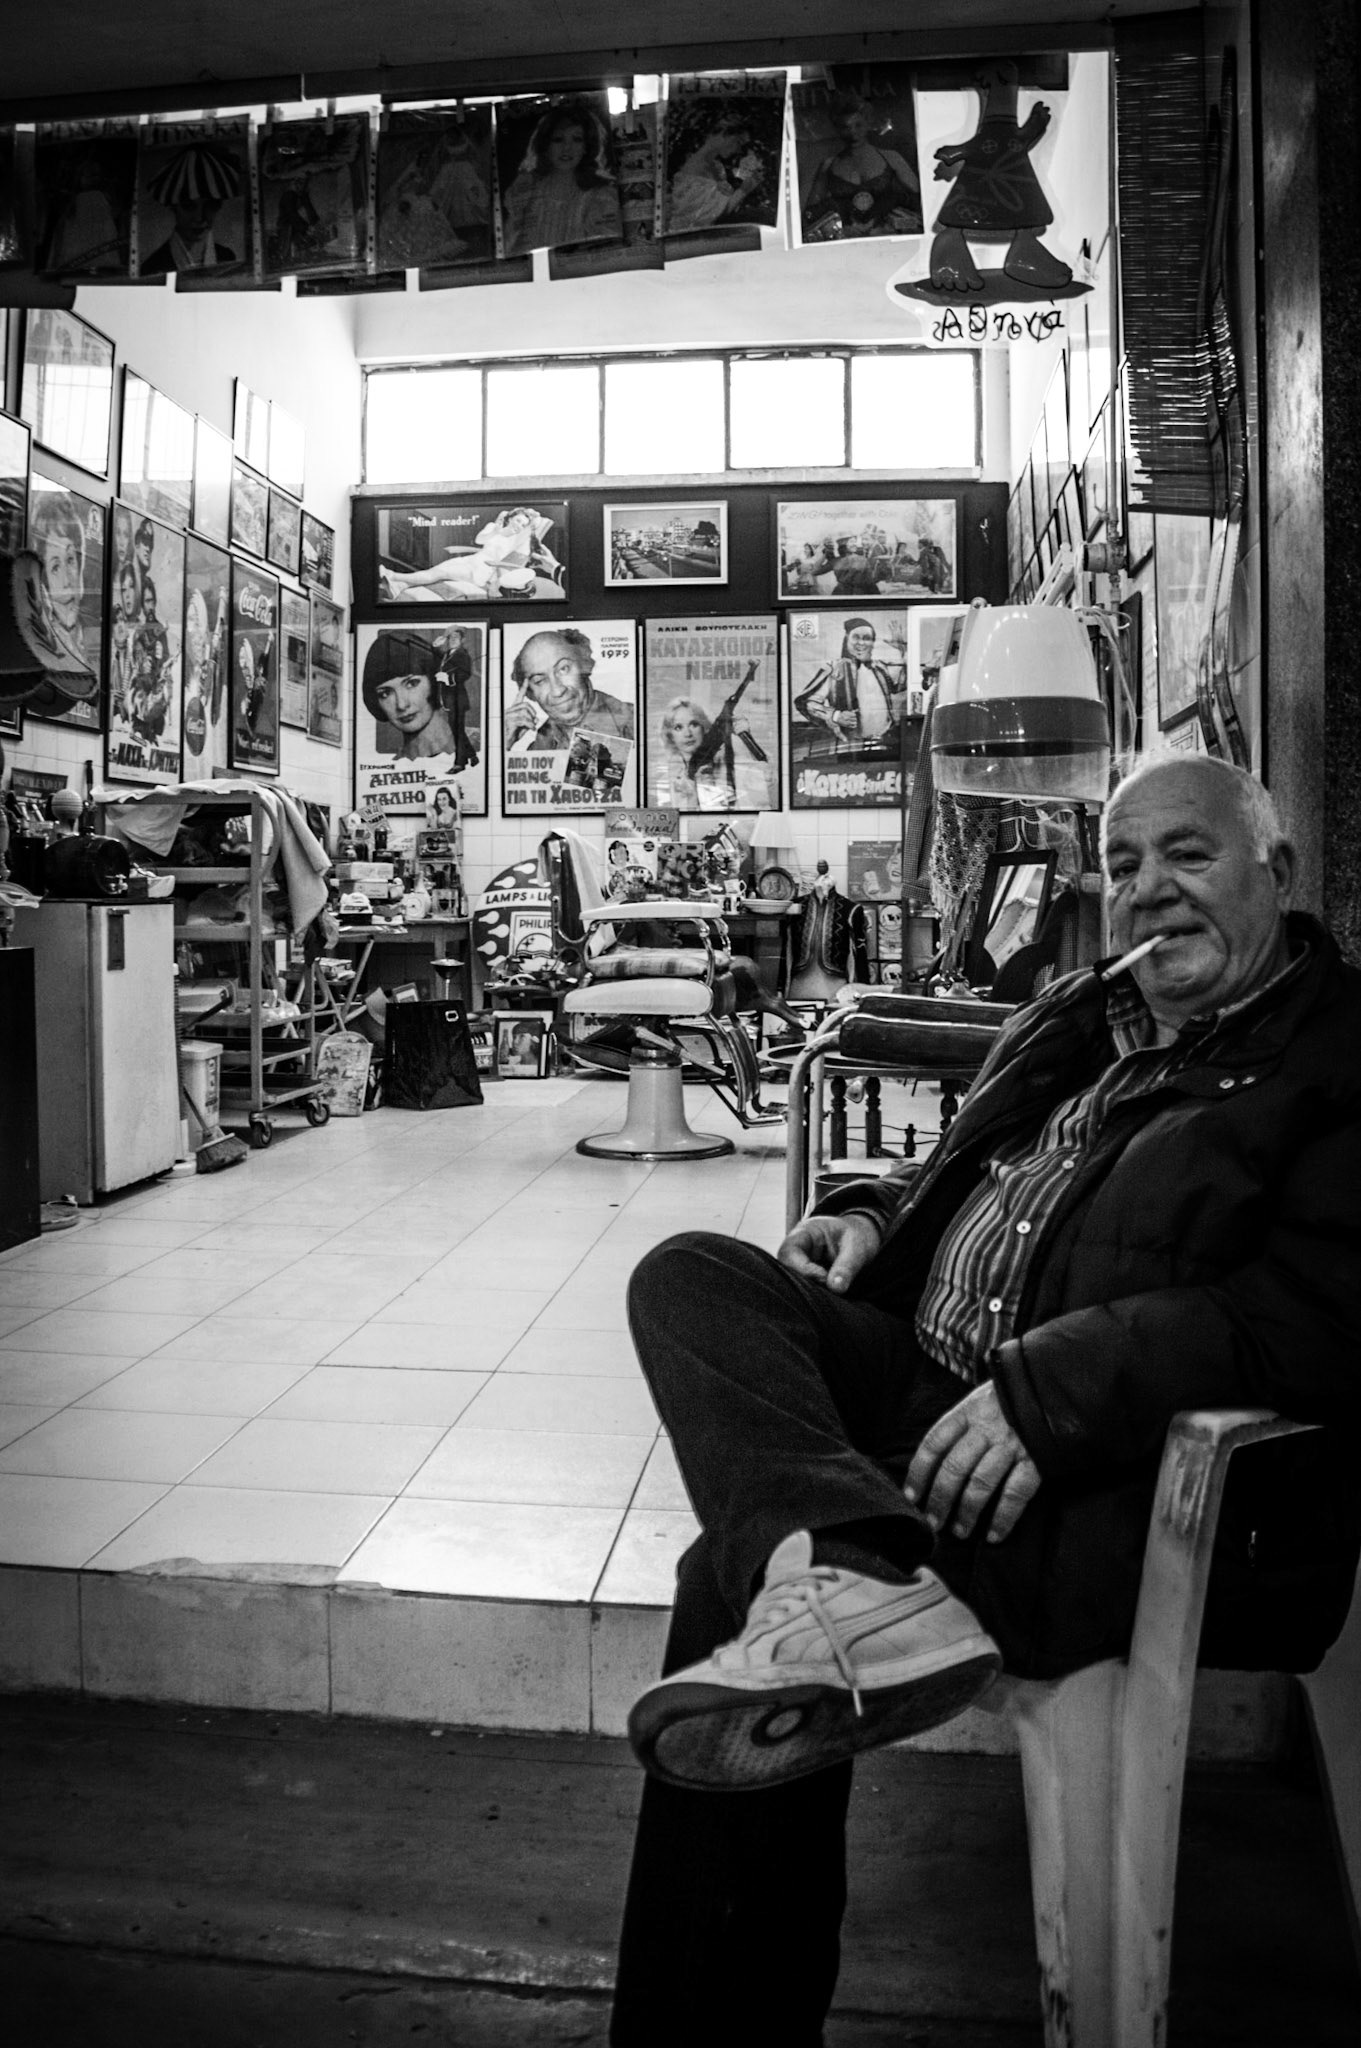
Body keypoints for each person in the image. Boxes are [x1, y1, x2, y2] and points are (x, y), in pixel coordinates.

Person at [610, 755, 1361, 2047]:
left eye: (1187, 856)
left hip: (1088, 1475)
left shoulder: (1335, 1059)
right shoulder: (1097, 1019)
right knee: (692, 1273)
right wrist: (863, 1219)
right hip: (934, 1382)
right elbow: (975, 1176)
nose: (1146, 892)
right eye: (1123, 866)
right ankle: (844, 1569)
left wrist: (1052, 1394)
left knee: (724, 1577)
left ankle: (832, 1591)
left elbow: (1316, 1313)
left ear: (1278, 874)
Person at [500, 100, 620, 254]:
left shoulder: (600, 195)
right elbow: (510, 245)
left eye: (576, 139)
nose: (567, 148)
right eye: (558, 139)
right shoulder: (526, 189)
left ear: (586, 147)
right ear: (545, 145)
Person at [801, 89, 921, 242]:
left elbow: (921, 201)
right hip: (846, 243)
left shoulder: (891, 158)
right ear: (837, 129)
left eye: (857, 125)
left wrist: (893, 204)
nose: (852, 133)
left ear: (867, 124)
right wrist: (837, 217)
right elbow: (811, 213)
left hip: (888, 241)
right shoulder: (829, 165)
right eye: (845, 127)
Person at [380, 507, 560, 602]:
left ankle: (395, 577)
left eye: (523, 524)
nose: (519, 525)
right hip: (473, 560)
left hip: (482, 571)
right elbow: (480, 540)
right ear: (510, 518)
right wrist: (496, 531)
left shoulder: (515, 542)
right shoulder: (493, 527)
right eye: (518, 520)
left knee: (439, 573)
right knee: (436, 571)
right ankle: (399, 584)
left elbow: (503, 564)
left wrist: (493, 586)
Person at [504, 628, 633, 753]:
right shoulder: (539, 747)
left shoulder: (635, 723)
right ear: (530, 693)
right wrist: (505, 742)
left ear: (584, 664)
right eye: (539, 681)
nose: (557, 691)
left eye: (563, 669)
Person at [361, 633, 478, 767]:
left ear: (433, 682)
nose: (402, 704)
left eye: (412, 684)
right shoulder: (391, 767)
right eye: (385, 693)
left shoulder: (482, 742)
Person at [793, 616, 903, 749]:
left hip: (885, 744)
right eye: (856, 637)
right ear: (847, 639)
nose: (861, 643)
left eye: (866, 638)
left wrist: (902, 649)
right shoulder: (834, 670)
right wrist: (835, 716)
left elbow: (902, 685)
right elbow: (806, 702)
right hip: (850, 747)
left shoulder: (881, 668)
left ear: (873, 643)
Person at [668, 109, 766, 231]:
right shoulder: (697, 167)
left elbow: (721, 202)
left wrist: (746, 175)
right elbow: (715, 214)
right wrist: (750, 183)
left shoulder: (715, 165)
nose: (738, 150)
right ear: (725, 134)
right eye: (738, 142)